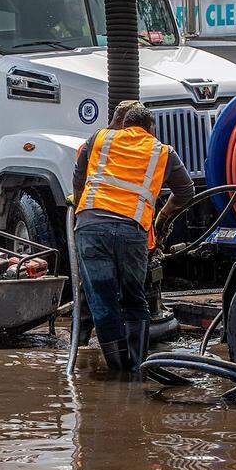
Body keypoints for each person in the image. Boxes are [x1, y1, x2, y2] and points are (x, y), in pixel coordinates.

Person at [72, 104, 195, 374]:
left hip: (91, 227)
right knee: (134, 298)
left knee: (101, 300)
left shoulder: (99, 139)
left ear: (123, 125)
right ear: (151, 129)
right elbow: (186, 191)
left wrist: (80, 214)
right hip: (132, 231)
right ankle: (136, 369)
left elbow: (79, 180)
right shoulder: (162, 151)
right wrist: (161, 221)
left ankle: (118, 369)